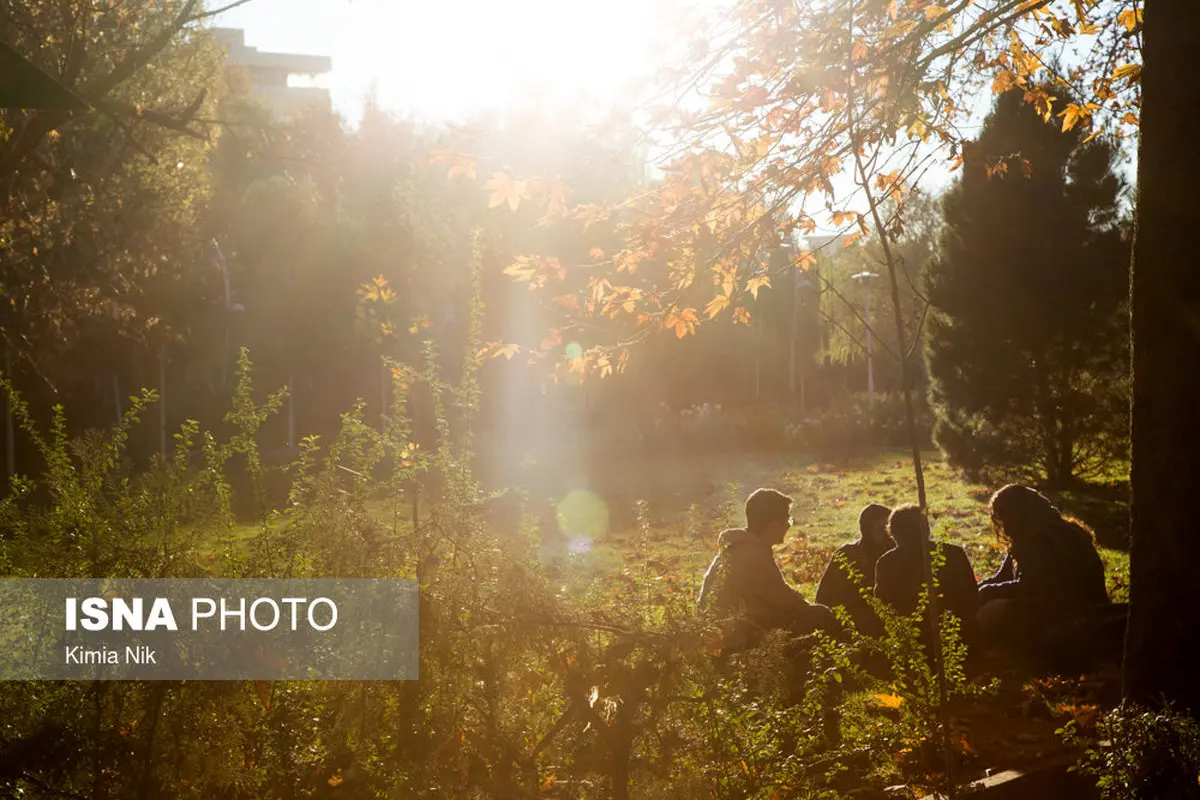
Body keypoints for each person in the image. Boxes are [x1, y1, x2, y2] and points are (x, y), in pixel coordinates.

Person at [976, 484, 1114, 669]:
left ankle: (986, 654)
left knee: (991, 611)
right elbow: (1002, 577)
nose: (1005, 526)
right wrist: (978, 589)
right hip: (1068, 608)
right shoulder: (1039, 533)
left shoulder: (1045, 539)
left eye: (1005, 517)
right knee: (989, 604)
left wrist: (987, 592)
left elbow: (1031, 587)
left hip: (1071, 614)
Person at [697, 488, 840, 644]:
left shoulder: (739, 546)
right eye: (787, 520)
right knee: (821, 616)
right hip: (732, 634)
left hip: (722, 628)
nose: (788, 526)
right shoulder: (751, 553)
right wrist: (808, 607)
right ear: (772, 523)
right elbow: (781, 597)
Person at [874, 504, 979, 647]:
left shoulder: (887, 563)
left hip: (910, 641)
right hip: (959, 637)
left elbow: (883, 607)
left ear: (893, 533)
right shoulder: (954, 554)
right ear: (926, 529)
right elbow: (971, 597)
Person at [815, 503, 893, 636]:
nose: (888, 535)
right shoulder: (847, 555)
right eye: (881, 530)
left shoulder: (896, 554)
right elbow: (824, 599)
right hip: (853, 626)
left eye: (890, 529)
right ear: (867, 531)